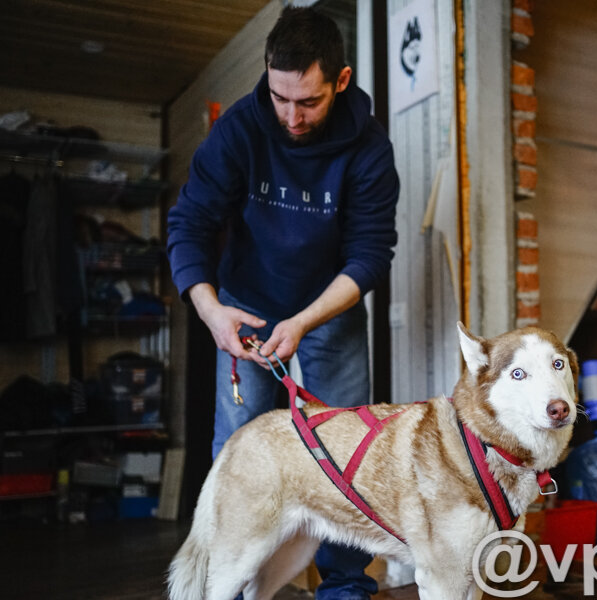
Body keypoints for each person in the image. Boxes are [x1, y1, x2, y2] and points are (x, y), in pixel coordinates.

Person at [166, 6, 399, 599]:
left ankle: (345, 586)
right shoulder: (240, 128)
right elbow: (188, 223)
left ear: (340, 82)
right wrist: (211, 311)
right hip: (243, 304)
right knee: (240, 445)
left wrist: (302, 320)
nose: (291, 117)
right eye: (280, 97)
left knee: (346, 452)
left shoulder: (369, 148)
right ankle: (228, 584)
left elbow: (370, 256)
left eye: (309, 102)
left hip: (328, 309)